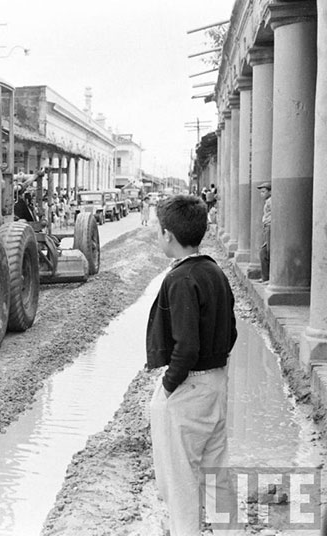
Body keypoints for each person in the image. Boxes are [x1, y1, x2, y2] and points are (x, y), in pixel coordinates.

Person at [147, 194, 237, 536]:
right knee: (216, 473)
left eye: (159, 230)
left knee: (180, 481)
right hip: (216, 381)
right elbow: (231, 333)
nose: (158, 235)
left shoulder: (180, 280)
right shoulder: (215, 271)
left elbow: (186, 347)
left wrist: (168, 388)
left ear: (168, 234)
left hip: (189, 387)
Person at [257, 181, 272, 282]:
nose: (261, 194)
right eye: (261, 192)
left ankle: (267, 278)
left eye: (263, 191)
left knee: (265, 252)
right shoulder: (268, 201)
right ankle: (265, 277)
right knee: (264, 252)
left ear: (270, 192)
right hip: (267, 227)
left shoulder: (271, 202)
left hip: (270, 228)